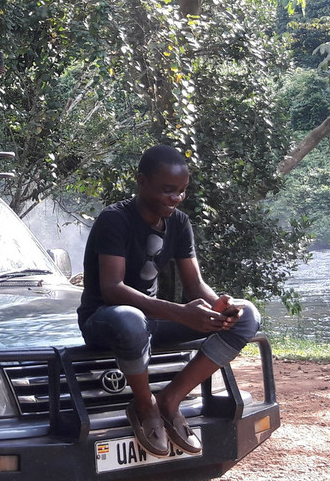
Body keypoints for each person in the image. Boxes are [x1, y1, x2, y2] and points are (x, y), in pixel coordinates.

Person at [77, 144, 261, 457]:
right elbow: (112, 289)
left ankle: (170, 400)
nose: (175, 198)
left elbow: (195, 284)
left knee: (248, 316)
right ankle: (145, 405)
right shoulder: (114, 219)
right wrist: (180, 313)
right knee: (130, 319)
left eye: (181, 191)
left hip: (151, 320)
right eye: (167, 190)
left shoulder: (179, 223)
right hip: (106, 319)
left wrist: (221, 308)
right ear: (142, 181)